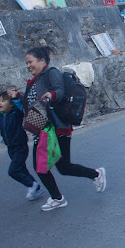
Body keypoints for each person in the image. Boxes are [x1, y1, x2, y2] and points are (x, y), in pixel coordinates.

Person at [13, 46, 107, 211]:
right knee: (48, 167)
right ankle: (61, 196)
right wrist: (18, 96)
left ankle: (94, 176)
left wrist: (52, 95)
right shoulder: (34, 82)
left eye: (30, 62)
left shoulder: (51, 73)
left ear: (42, 61)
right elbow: (32, 104)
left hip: (57, 129)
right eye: (26, 63)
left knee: (60, 167)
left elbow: (60, 91)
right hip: (42, 130)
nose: (28, 65)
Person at [0, 91, 44, 201]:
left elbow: (19, 105)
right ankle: (36, 187)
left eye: (3, 101)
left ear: (11, 104)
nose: (0, 103)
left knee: (13, 171)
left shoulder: (15, 113)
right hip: (11, 148)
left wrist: (15, 98)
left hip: (20, 146)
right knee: (21, 169)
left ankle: (32, 185)